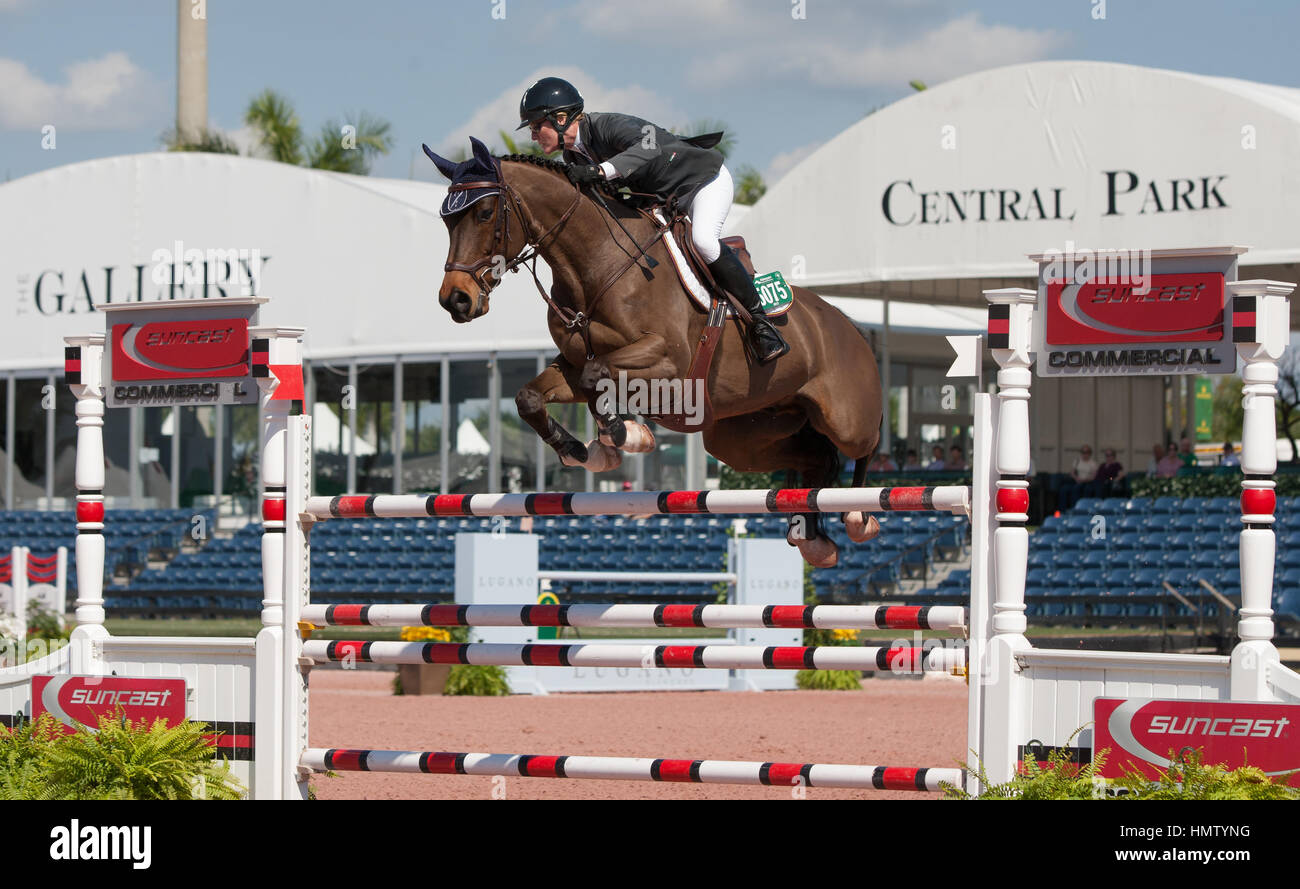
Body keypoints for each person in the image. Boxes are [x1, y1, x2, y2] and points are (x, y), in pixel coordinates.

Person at [517, 77, 789, 364]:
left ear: (561, 119)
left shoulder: (608, 124)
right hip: (663, 200)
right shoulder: (574, 158)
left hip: (702, 183)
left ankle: (760, 323)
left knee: (704, 242)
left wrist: (601, 172)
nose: (534, 135)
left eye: (536, 126)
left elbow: (649, 146)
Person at [1058, 444, 1099, 510]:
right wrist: (1076, 478)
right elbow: (1072, 472)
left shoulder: (1093, 463)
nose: (1085, 454)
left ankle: (1080, 508)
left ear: (1090, 453)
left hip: (1087, 482)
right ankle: (1063, 509)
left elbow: (1094, 477)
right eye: (1083, 452)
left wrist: (1084, 480)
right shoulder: (1077, 461)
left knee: (1078, 489)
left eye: (1087, 452)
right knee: (1064, 489)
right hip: (1077, 480)